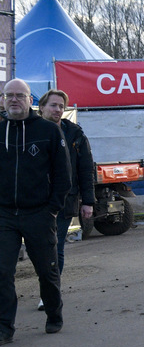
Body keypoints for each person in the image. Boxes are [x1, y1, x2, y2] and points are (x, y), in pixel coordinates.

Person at [0, 78, 72, 345]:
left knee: (47, 269)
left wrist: (52, 209)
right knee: (2, 272)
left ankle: (54, 314)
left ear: (31, 100)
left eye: (20, 95)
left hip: (38, 213)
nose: (14, 99)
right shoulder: (0, 130)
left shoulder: (48, 131)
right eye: (9, 95)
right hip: (5, 215)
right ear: (3, 100)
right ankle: (4, 326)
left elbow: (63, 175)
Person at [37, 89, 95, 310]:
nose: (58, 110)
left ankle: (49, 293)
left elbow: (85, 168)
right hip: (32, 202)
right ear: (41, 107)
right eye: (53, 105)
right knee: (37, 249)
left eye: (61, 106)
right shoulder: (29, 130)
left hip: (62, 201)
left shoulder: (74, 134)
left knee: (55, 247)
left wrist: (88, 201)